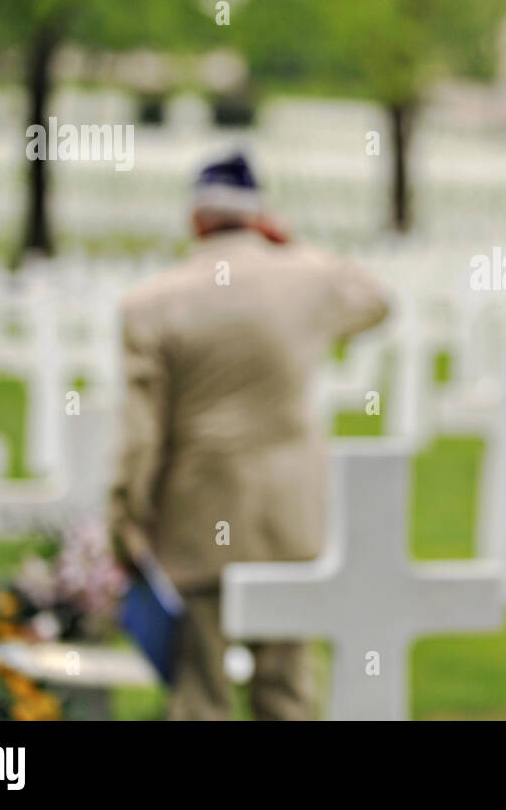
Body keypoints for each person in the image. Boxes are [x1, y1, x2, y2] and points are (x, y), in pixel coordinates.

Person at [108, 151, 389, 720]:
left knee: (201, 693)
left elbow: (141, 435)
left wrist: (124, 518)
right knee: (286, 690)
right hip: (287, 515)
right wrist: (287, 243)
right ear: (259, 215)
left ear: (195, 220)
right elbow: (376, 299)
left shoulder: (150, 304)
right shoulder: (308, 280)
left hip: (196, 515)